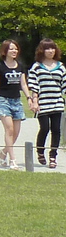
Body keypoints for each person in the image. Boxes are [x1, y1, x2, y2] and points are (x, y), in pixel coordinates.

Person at [0, 39, 34, 169]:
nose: (14, 51)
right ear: (5, 51)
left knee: (16, 132)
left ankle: (4, 152)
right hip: (3, 100)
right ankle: (13, 159)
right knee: (9, 129)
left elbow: (24, 84)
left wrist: (29, 98)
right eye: (11, 49)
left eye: (16, 49)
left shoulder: (20, 66)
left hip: (16, 100)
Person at [28, 39, 66, 169]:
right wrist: (34, 101)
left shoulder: (61, 66)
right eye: (47, 49)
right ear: (42, 50)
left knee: (56, 130)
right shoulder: (37, 66)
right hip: (43, 103)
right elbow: (34, 85)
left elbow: (64, 85)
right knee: (44, 128)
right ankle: (40, 151)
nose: (50, 51)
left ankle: (53, 156)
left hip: (57, 102)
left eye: (52, 48)